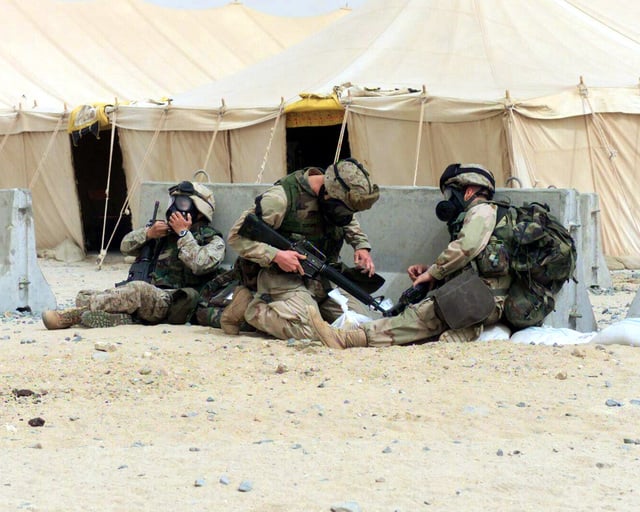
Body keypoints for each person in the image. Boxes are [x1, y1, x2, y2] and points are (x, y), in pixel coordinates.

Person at [307, 163, 514, 348]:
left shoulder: (482, 211)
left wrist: (434, 272)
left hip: (483, 298)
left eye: (451, 195)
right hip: (480, 296)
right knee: (420, 315)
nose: (449, 202)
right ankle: (459, 332)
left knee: (422, 314)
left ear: (468, 192)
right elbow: (471, 259)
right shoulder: (488, 216)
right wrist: (432, 270)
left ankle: (347, 339)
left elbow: (466, 247)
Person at [226, 158, 380, 340]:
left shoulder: (335, 201)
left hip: (320, 277)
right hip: (280, 276)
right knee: (310, 331)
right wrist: (276, 255)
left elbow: (346, 220)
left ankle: (308, 309)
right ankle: (250, 308)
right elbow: (236, 237)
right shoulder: (280, 199)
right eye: (344, 210)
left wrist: (361, 246)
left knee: (362, 325)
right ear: (329, 195)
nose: (347, 215)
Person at [42, 181, 227, 330]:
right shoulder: (162, 233)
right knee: (84, 294)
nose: (176, 208)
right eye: (174, 202)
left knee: (137, 289)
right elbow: (125, 247)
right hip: (150, 298)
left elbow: (201, 264)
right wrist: (147, 234)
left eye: (183, 203)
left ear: (199, 210)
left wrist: (184, 235)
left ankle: (68, 317)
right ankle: (122, 318)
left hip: (177, 301)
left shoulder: (212, 239)